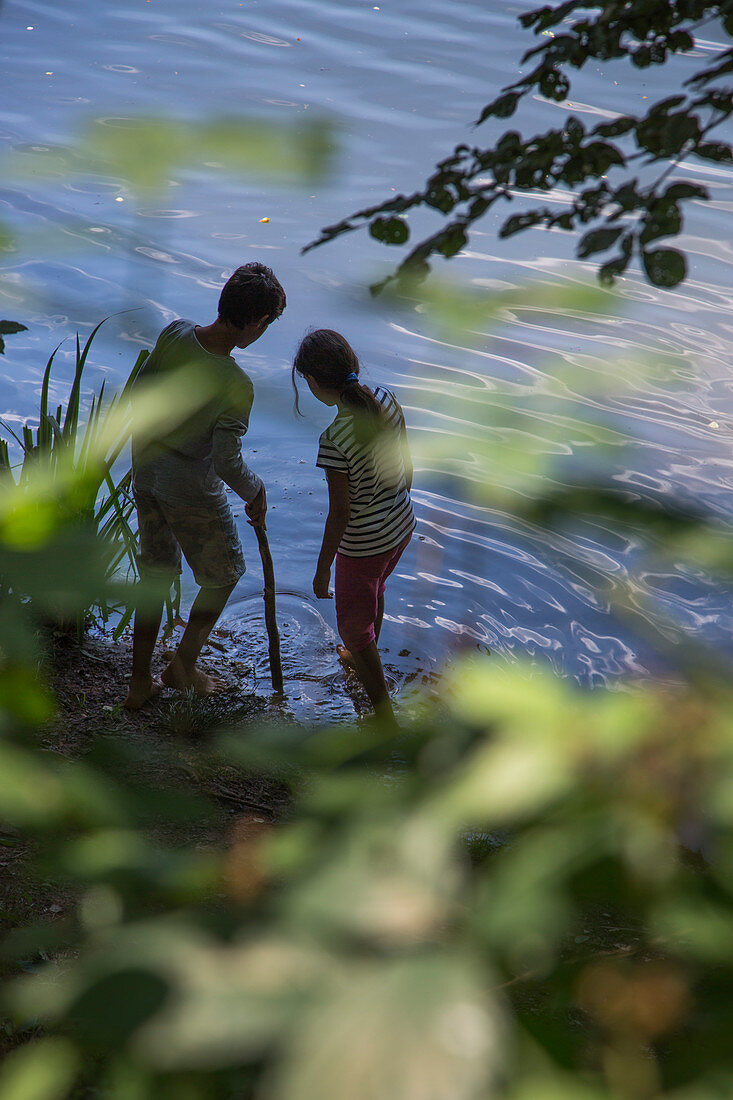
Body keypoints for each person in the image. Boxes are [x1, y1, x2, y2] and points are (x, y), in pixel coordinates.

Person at [124, 262, 286, 710]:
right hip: (188, 482)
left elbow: (139, 394)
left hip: (146, 465)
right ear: (255, 322)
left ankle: (140, 681)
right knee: (225, 574)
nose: (264, 331)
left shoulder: (176, 332)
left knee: (155, 575)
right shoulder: (236, 383)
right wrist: (256, 491)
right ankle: (182, 668)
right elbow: (227, 462)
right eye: (267, 323)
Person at [292, 329, 415, 726]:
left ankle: (383, 715)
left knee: (350, 626)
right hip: (400, 526)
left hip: (363, 547)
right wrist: (393, 510)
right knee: (374, 593)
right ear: (353, 364)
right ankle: (364, 656)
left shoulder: (334, 440)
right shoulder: (386, 398)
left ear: (312, 382)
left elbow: (340, 513)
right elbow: (407, 467)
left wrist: (323, 566)